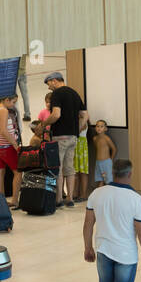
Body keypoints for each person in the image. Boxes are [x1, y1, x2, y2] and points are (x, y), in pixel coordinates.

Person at [44, 72, 86, 207]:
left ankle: (58, 200)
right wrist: (77, 129)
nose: (48, 87)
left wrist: (43, 124)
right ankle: (70, 198)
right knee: (70, 167)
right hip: (73, 137)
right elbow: (85, 115)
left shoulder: (57, 94)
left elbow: (56, 114)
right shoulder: (74, 93)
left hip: (60, 136)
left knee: (58, 167)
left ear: (55, 80)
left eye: (49, 83)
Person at [0, 96, 21, 207]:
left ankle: (1, 201)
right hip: (5, 148)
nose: (13, 105)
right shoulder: (4, 111)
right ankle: (15, 200)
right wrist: (15, 145)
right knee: (18, 172)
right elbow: (4, 131)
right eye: (13, 102)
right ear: (6, 100)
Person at [90, 120, 116, 189]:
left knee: (108, 181)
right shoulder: (95, 139)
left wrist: (111, 160)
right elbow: (97, 148)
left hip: (106, 162)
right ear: (95, 128)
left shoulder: (107, 139)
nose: (99, 128)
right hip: (98, 162)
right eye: (97, 126)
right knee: (100, 180)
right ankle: (99, 195)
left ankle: (110, 194)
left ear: (105, 129)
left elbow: (114, 149)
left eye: (101, 126)